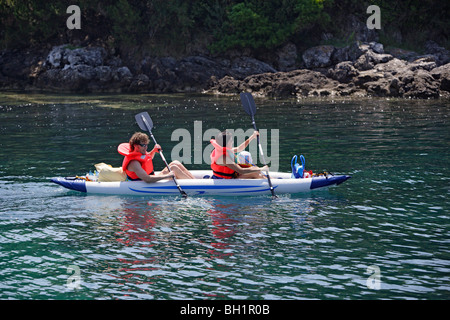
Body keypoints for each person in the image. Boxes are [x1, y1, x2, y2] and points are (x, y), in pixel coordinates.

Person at [120, 132, 194, 183]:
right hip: (144, 184)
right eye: (143, 145)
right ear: (136, 146)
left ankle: (195, 181)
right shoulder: (134, 163)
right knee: (174, 168)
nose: (146, 147)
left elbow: (147, 159)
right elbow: (147, 179)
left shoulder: (140, 152)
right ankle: (195, 184)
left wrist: (154, 151)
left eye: (146, 145)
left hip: (150, 179)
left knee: (175, 163)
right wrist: (168, 175)